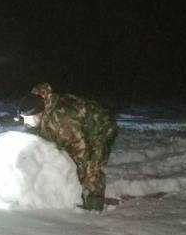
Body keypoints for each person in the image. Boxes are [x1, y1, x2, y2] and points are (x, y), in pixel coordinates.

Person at [18, 83, 117, 211]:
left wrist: (76, 180)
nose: (25, 122)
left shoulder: (63, 121)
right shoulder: (38, 105)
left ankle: (93, 207)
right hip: (76, 128)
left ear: (39, 114)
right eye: (23, 118)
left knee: (92, 168)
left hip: (100, 128)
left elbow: (81, 153)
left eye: (28, 118)